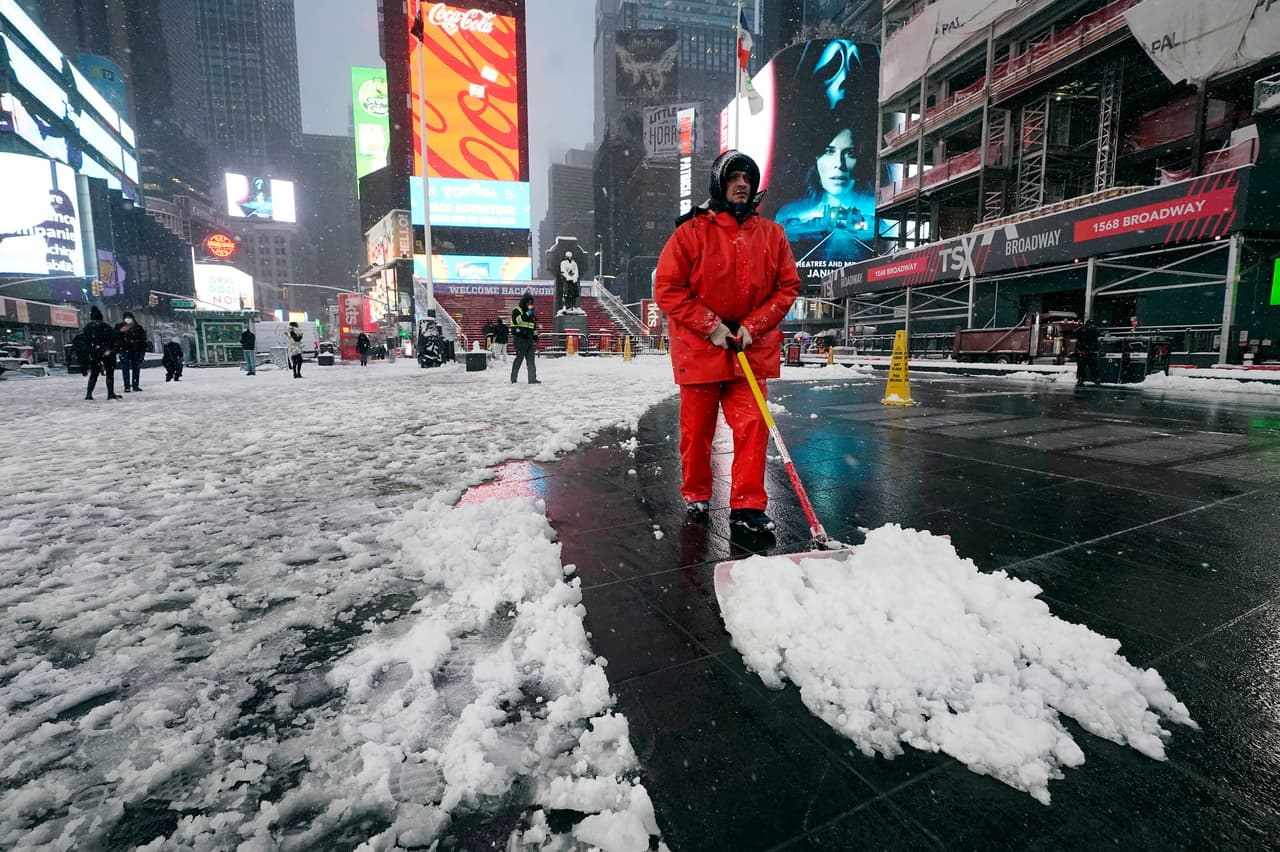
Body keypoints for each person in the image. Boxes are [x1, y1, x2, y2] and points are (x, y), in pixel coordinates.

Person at [655, 149, 801, 534]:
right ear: (720, 184)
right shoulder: (690, 233)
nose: (741, 184)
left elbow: (787, 287)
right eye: (734, 177)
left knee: (753, 427)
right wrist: (711, 326)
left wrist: (754, 325)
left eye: (747, 179)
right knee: (696, 432)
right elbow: (667, 289)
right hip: (702, 352)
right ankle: (697, 494)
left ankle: (748, 506)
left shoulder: (773, 235)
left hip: (749, 352)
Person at [82, 306, 122, 400]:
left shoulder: (88, 329)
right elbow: (114, 340)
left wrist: (90, 352)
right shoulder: (106, 327)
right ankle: (110, 394)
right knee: (109, 374)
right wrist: (111, 351)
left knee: (94, 374)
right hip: (107, 354)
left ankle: (89, 394)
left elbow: (85, 342)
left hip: (94, 354)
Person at [510, 292, 540, 384]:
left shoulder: (530, 313)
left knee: (531, 360)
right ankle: (513, 379)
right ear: (524, 302)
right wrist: (528, 312)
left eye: (531, 303)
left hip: (529, 339)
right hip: (520, 339)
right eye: (527, 302)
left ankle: (532, 379)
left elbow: (532, 326)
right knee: (519, 359)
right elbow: (517, 321)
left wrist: (535, 336)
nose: (529, 304)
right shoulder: (517, 310)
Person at [116, 311, 147, 392]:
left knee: (136, 368)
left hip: (135, 351)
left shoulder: (138, 328)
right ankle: (127, 386)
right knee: (125, 369)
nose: (128, 320)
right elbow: (114, 337)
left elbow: (143, 341)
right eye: (126, 318)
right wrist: (120, 332)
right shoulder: (119, 327)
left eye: (129, 318)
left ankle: (135, 385)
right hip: (124, 351)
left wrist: (142, 353)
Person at [1075, 318, 1101, 386]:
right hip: (1091, 352)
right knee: (1093, 367)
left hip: (1082, 352)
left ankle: (1080, 379)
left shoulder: (1082, 329)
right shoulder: (1095, 329)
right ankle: (1096, 379)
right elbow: (1098, 336)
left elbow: (1075, 333)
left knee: (1081, 367)